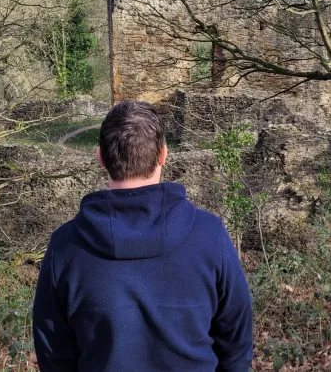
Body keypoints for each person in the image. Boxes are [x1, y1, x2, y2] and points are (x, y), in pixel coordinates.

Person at [33, 100, 254, 371]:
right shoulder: (210, 235)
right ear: (163, 155)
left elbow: (53, 354)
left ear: (100, 156)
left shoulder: (65, 247)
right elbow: (237, 343)